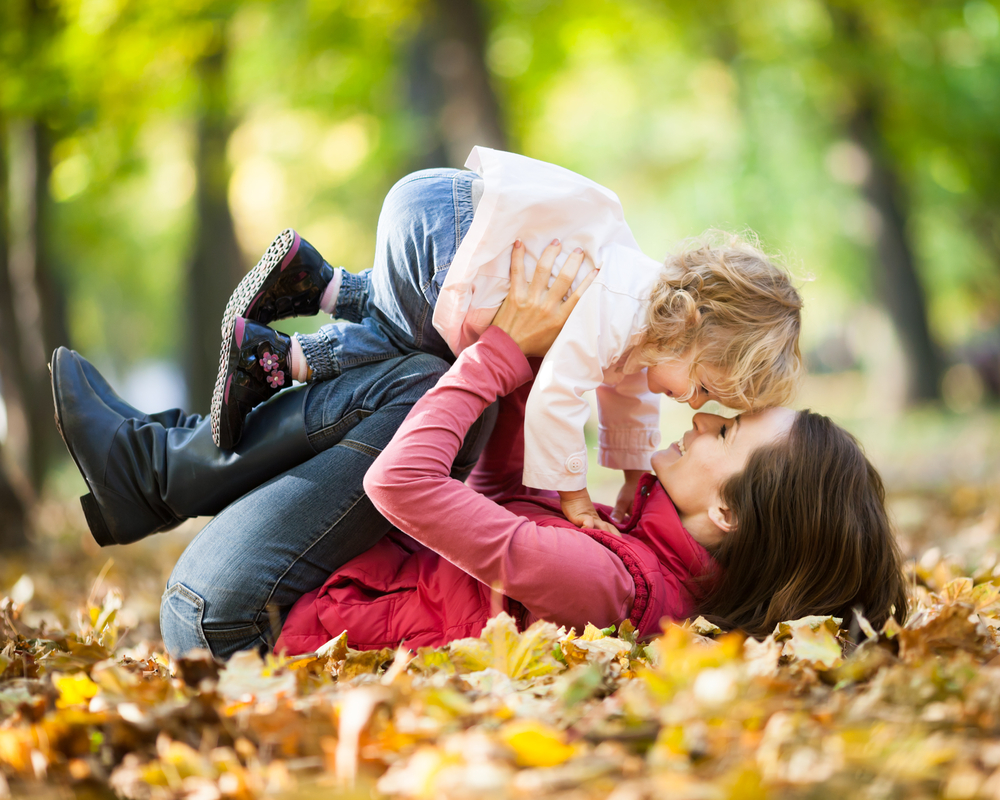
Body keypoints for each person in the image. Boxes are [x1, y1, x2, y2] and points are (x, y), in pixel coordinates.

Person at [51, 244, 906, 659]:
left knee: (421, 383)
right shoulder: (643, 557)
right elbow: (497, 490)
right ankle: (157, 469)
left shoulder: (611, 583)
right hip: (282, 597)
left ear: (726, 509)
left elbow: (403, 487)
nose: (699, 421)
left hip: (236, 624)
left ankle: (160, 471)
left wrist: (497, 355)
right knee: (430, 371)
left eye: (722, 435)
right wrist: (553, 346)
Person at [211, 147, 803, 534]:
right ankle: (276, 362)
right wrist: (573, 497)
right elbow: (557, 398)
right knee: (415, 345)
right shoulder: (622, 308)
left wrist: (627, 473)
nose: (695, 405)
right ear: (694, 324)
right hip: (453, 227)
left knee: (407, 307)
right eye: (702, 386)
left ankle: (312, 279)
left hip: (443, 213)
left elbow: (629, 398)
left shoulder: (648, 320)